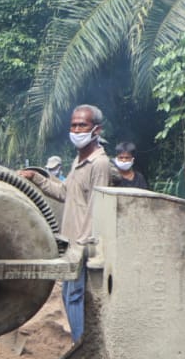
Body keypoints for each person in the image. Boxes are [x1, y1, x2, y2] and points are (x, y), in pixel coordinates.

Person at [22, 104, 118, 341]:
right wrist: (35, 178)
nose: (76, 130)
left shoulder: (99, 164)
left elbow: (99, 208)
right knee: (68, 296)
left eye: (82, 125)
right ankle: (82, 345)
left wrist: (84, 246)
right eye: (73, 125)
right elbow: (66, 193)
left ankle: (81, 350)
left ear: (96, 129)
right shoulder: (78, 160)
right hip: (72, 241)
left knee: (75, 297)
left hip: (83, 243)